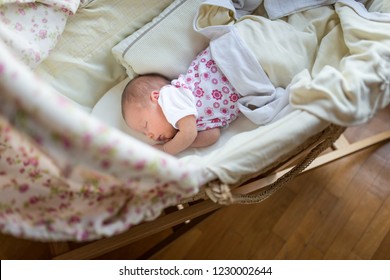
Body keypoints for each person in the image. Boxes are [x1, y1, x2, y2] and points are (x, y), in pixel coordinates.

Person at [121, 47, 241, 155]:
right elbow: (213, 136)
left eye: (145, 125)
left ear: (156, 97)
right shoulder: (186, 125)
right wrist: (178, 140)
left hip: (227, 59)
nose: (149, 135)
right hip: (244, 82)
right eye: (144, 133)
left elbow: (189, 133)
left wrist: (165, 149)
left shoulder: (169, 96)